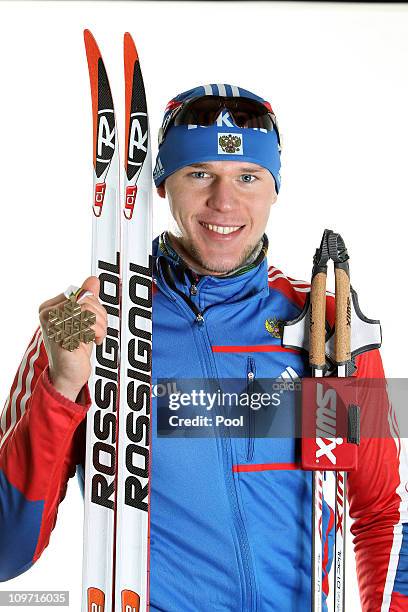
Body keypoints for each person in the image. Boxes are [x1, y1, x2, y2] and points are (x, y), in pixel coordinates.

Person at [0, 83, 406, 611]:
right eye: (199, 174)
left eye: (247, 176)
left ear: (274, 187)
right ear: (163, 185)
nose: (225, 201)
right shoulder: (92, 325)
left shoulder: (330, 329)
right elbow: (8, 552)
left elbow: (381, 514)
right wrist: (61, 388)